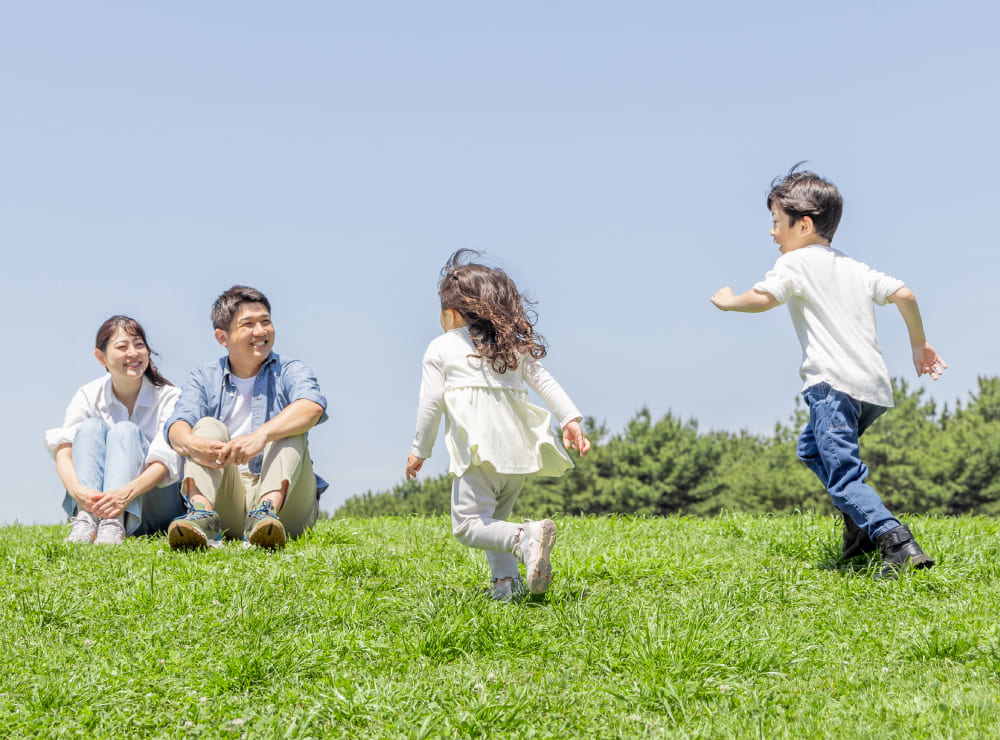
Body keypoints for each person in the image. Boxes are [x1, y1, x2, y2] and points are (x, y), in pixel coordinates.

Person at [710, 164, 946, 580]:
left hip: (831, 388)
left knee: (843, 476)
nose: (771, 233)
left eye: (775, 223)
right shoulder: (854, 267)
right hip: (871, 391)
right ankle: (859, 533)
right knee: (812, 450)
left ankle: (896, 543)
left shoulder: (795, 263)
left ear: (803, 225)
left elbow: (764, 299)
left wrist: (730, 301)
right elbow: (904, 294)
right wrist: (918, 344)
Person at [406, 250, 591, 600]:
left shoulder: (441, 347)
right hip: (517, 454)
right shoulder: (510, 347)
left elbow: (429, 404)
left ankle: (526, 538)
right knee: (494, 522)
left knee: (468, 526)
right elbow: (545, 381)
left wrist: (419, 450)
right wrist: (570, 419)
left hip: (480, 452)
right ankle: (508, 585)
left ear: (451, 313)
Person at [164, 286, 327, 550]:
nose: (261, 331)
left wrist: (260, 437)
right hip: (229, 496)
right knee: (205, 427)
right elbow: (178, 425)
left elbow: (312, 407)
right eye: (248, 324)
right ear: (222, 337)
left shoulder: (290, 370)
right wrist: (194, 444)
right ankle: (201, 518)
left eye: (266, 322)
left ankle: (265, 514)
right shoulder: (203, 377)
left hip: (287, 505)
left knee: (289, 427)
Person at [45, 316, 184, 544]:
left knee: (125, 431)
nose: (133, 353)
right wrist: (77, 491)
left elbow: (165, 461)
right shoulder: (88, 395)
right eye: (122, 347)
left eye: (139, 344)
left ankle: (113, 523)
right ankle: (86, 521)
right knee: (90, 428)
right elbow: (63, 448)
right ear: (101, 357)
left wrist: (124, 495)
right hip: (96, 503)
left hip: (156, 504)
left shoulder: (169, 397)